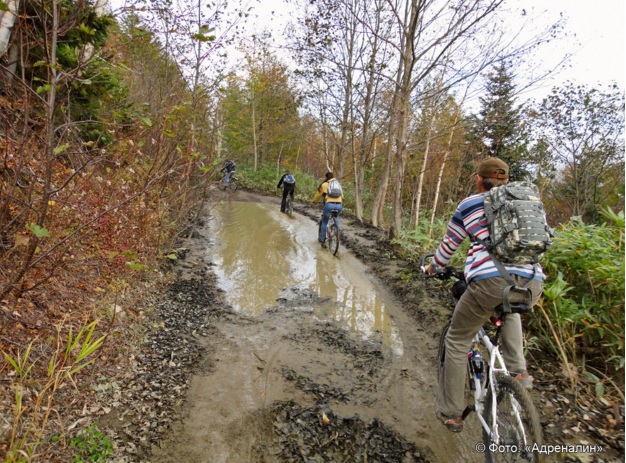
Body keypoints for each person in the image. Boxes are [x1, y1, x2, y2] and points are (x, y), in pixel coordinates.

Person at [424, 157, 544, 433]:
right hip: (532, 282)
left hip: (489, 281)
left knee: (457, 340)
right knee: (510, 307)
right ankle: (518, 371)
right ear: (506, 179)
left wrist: (433, 267)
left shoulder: (469, 205)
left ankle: (450, 412)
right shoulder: (528, 203)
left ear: (479, 179)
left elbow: (448, 246)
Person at [312, 171, 343, 247]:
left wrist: (314, 201)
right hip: (339, 205)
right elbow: (342, 196)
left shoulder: (325, 184)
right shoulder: (338, 184)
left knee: (324, 221)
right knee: (336, 218)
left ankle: (322, 240)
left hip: (329, 205)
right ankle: (337, 233)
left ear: (326, 177)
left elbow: (318, 195)